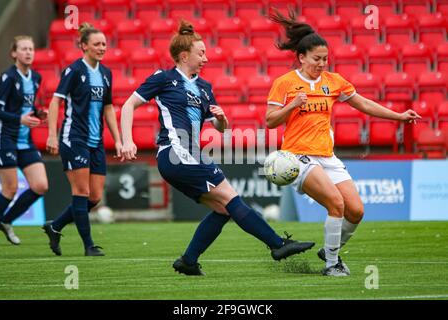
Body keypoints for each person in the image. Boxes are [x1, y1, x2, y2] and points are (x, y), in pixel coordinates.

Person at [120, 20, 315, 276]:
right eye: (201, 53)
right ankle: (277, 244)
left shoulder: (204, 88)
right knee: (231, 197)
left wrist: (222, 119)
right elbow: (127, 106)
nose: (206, 58)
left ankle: (189, 260)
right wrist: (127, 140)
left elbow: (220, 129)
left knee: (223, 208)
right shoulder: (164, 78)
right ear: (183, 55)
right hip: (175, 152)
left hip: (191, 153)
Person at [266, 10, 421, 276]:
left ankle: (329, 250)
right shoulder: (285, 84)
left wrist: (398, 116)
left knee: (356, 211)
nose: (322, 64)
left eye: (326, 58)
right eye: (317, 59)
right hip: (299, 157)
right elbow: (269, 121)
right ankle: (332, 265)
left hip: (328, 156)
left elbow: (364, 104)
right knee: (336, 204)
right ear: (301, 58)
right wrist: (292, 105)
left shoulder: (333, 82)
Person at [44, 23, 122, 256]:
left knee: (95, 197)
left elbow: (108, 108)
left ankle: (55, 226)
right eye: (97, 44)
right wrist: (51, 135)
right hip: (74, 137)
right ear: (84, 46)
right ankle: (88, 246)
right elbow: (55, 102)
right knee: (81, 191)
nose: (102, 48)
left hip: (96, 141)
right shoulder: (74, 71)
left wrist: (117, 139)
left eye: (104, 44)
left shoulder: (106, 73)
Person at [0, 36, 49, 245]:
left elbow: (26, 107)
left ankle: (6, 220)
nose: (28, 52)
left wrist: (38, 113)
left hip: (25, 141)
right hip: (6, 139)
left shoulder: (36, 77)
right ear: (14, 53)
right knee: (9, 189)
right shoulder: (8, 78)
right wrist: (19, 119)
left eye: (31, 49)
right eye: (24, 49)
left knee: (41, 186)